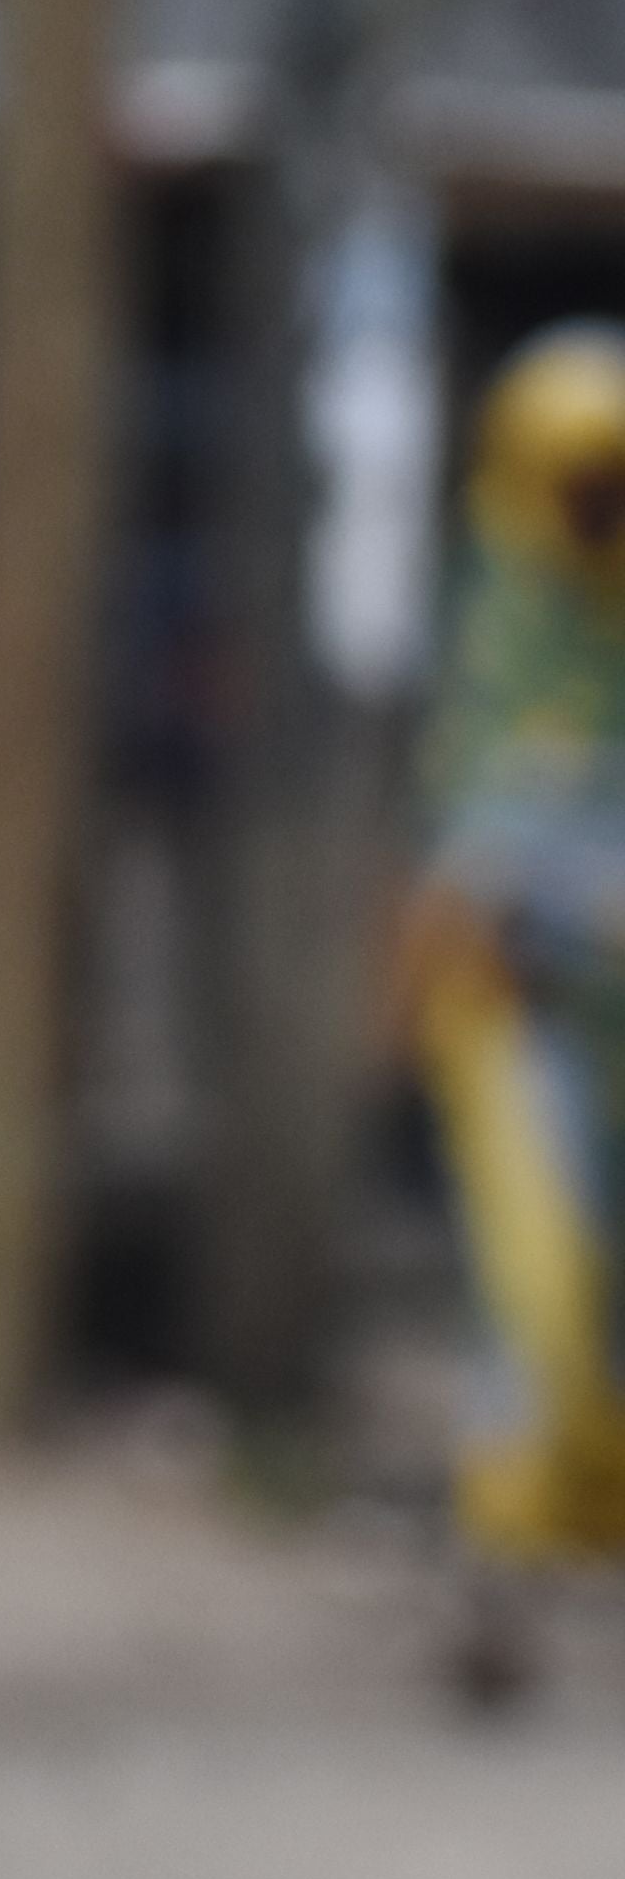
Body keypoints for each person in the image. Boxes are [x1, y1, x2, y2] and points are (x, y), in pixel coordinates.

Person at [410, 322, 625, 1654]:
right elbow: (481, 859)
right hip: (516, 1009)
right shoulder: (502, 620)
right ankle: (501, 1552)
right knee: (537, 1283)